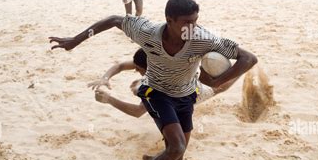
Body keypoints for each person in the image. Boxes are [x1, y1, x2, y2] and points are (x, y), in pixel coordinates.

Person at [49, 0, 258, 160]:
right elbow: (113, 20)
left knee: (177, 158)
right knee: (176, 147)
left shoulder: (203, 39)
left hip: (185, 95)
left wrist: (217, 80)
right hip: (155, 92)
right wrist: (74, 42)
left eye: (195, 21)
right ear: (169, 20)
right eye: (187, 22)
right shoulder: (147, 31)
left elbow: (248, 58)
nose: (193, 27)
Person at [88, 48, 239, 119]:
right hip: (183, 80)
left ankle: (242, 70)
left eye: (139, 69)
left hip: (192, 92)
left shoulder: (158, 82)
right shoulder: (154, 59)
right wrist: (105, 78)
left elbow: (138, 112)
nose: (135, 70)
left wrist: (109, 99)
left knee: (218, 89)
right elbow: (120, 66)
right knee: (141, 88)